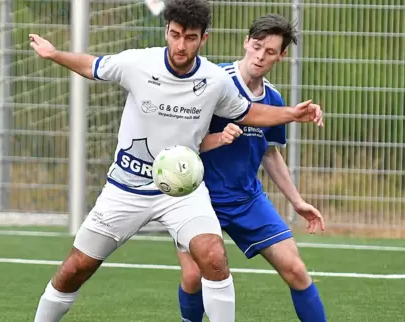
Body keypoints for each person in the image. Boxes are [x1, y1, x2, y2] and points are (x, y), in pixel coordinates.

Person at [29, 0, 323, 320]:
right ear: (167, 31)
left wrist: (292, 114)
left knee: (213, 258)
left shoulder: (214, 80)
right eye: (175, 35)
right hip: (126, 187)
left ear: (204, 39)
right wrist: (55, 54)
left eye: (190, 37)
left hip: (183, 192)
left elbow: (250, 112)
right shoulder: (139, 63)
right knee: (76, 268)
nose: (181, 45)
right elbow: (93, 65)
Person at [176, 14, 327, 322]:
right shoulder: (214, 81)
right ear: (246, 42)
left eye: (270, 51)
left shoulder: (273, 99)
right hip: (198, 197)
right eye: (257, 46)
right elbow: (181, 141)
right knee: (193, 277)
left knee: (296, 269)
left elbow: (270, 154)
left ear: (281, 56)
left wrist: (296, 201)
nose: (260, 56)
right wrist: (219, 138)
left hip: (246, 199)